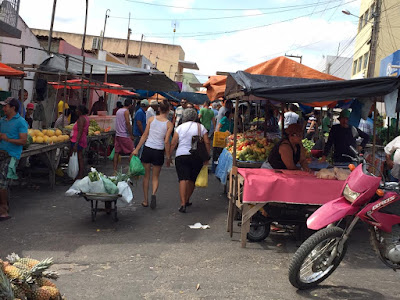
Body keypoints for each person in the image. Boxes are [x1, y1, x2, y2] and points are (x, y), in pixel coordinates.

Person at [132, 100, 174, 209]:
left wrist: (136, 149)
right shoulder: (169, 124)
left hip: (148, 148)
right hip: (159, 151)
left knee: (146, 177)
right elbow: (166, 141)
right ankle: (153, 194)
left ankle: (145, 200)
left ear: (159, 109)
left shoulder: (151, 119)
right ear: (169, 110)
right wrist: (168, 156)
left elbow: (144, 135)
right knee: (155, 177)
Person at [170, 108, 210, 213]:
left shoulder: (179, 128)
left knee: (183, 179)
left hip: (181, 155)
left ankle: (183, 204)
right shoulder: (201, 127)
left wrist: (168, 156)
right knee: (192, 179)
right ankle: (187, 199)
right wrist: (207, 156)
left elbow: (173, 143)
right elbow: (207, 142)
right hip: (196, 156)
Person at [0, 98, 28, 221]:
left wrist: (8, 139)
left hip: (11, 155)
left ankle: (4, 209)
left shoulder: (21, 122)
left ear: (13, 108)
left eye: (5, 106)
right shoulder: (2, 121)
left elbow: (23, 141)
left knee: (2, 182)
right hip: (1, 153)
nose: (3, 108)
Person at [113, 99, 134, 173]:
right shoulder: (126, 111)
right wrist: (131, 134)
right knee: (133, 151)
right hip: (124, 134)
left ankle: (115, 170)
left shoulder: (118, 111)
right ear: (130, 105)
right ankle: (131, 170)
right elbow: (128, 123)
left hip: (118, 134)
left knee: (117, 152)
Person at [70, 105, 89, 179]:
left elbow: (80, 131)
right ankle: (80, 173)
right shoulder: (86, 118)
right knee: (79, 156)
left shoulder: (81, 119)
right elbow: (86, 131)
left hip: (78, 140)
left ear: (80, 111)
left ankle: (79, 174)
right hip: (82, 139)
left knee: (79, 157)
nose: (76, 111)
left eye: (77, 109)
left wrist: (76, 143)